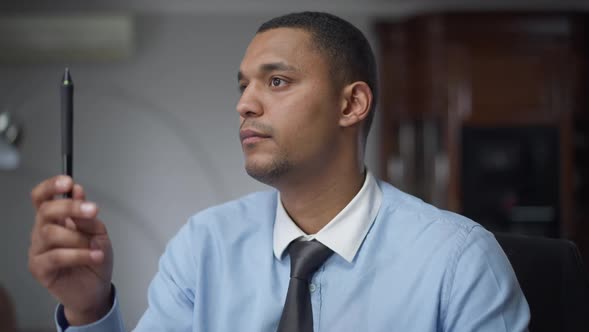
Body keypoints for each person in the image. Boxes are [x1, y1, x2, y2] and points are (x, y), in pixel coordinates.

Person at [28, 12, 530, 331]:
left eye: (277, 81)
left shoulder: (459, 262)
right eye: (242, 86)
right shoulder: (204, 246)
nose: (245, 104)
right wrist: (89, 310)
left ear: (351, 103)